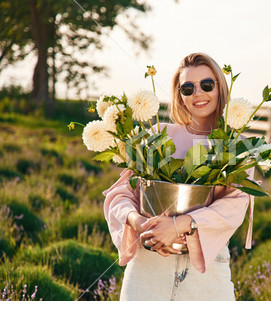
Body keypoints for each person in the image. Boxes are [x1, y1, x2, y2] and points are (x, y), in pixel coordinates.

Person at [103, 52, 256, 301]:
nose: (198, 93)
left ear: (220, 87)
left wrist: (177, 226)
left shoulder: (235, 145)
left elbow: (234, 205)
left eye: (207, 85)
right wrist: (141, 223)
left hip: (205, 274)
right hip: (147, 269)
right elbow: (120, 194)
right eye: (187, 88)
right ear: (179, 95)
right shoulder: (157, 134)